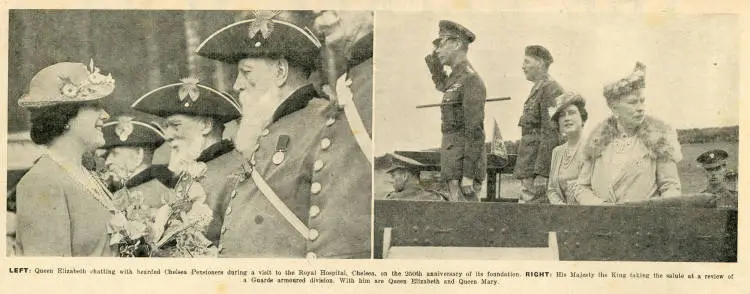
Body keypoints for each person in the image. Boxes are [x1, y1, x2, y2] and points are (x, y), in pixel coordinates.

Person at [194, 10, 371, 258]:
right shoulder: (266, 132)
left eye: (246, 72)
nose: (236, 85)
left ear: (280, 72)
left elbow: (343, 233)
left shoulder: (325, 122)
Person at [15, 61, 116, 256]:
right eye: (95, 106)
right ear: (66, 117)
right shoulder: (41, 182)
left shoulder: (86, 172)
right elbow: (51, 279)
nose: (105, 115)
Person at [130, 77, 244, 246]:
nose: (167, 136)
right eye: (166, 128)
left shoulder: (236, 171)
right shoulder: (190, 173)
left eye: (176, 126)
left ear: (205, 125)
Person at [572, 62, 682, 205]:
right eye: (632, 102)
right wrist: (601, 207)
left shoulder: (658, 140)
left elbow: (671, 187)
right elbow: (582, 188)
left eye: (642, 101)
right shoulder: (596, 142)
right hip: (601, 222)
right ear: (614, 108)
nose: (640, 108)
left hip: (643, 223)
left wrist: (654, 214)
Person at [424, 20, 486, 202]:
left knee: (466, 225)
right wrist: (434, 60)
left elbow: (475, 130)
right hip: (453, 164)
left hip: (463, 170)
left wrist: (468, 174)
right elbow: (442, 84)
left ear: (457, 44)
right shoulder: (455, 78)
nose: (437, 50)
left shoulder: (471, 79)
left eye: (441, 44)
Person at [515, 45, 565, 203]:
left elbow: (550, 133)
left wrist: (542, 173)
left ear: (540, 63)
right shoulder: (538, 88)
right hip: (529, 165)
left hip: (536, 169)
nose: (523, 66)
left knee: (533, 212)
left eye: (527, 62)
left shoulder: (551, 89)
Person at [99, 115, 172, 192]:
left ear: (139, 156)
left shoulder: (149, 193)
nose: (107, 161)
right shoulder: (126, 188)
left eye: (115, 154)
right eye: (108, 154)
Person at [546, 92, 588, 204]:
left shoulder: (593, 149)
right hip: (562, 215)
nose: (567, 118)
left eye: (572, 113)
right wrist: (562, 209)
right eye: (562, 115)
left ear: (582, 119)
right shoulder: (557, 152)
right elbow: (551, 190)